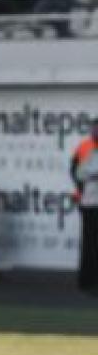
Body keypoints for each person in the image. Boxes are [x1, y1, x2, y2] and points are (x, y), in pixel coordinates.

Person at [71, 118, 98, 295]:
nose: (95, 132)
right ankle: (87, 281)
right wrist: (83, 187)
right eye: (94, 129)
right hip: (89, 202)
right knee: (88, 243)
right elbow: (75, 172)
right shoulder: (84, 147)